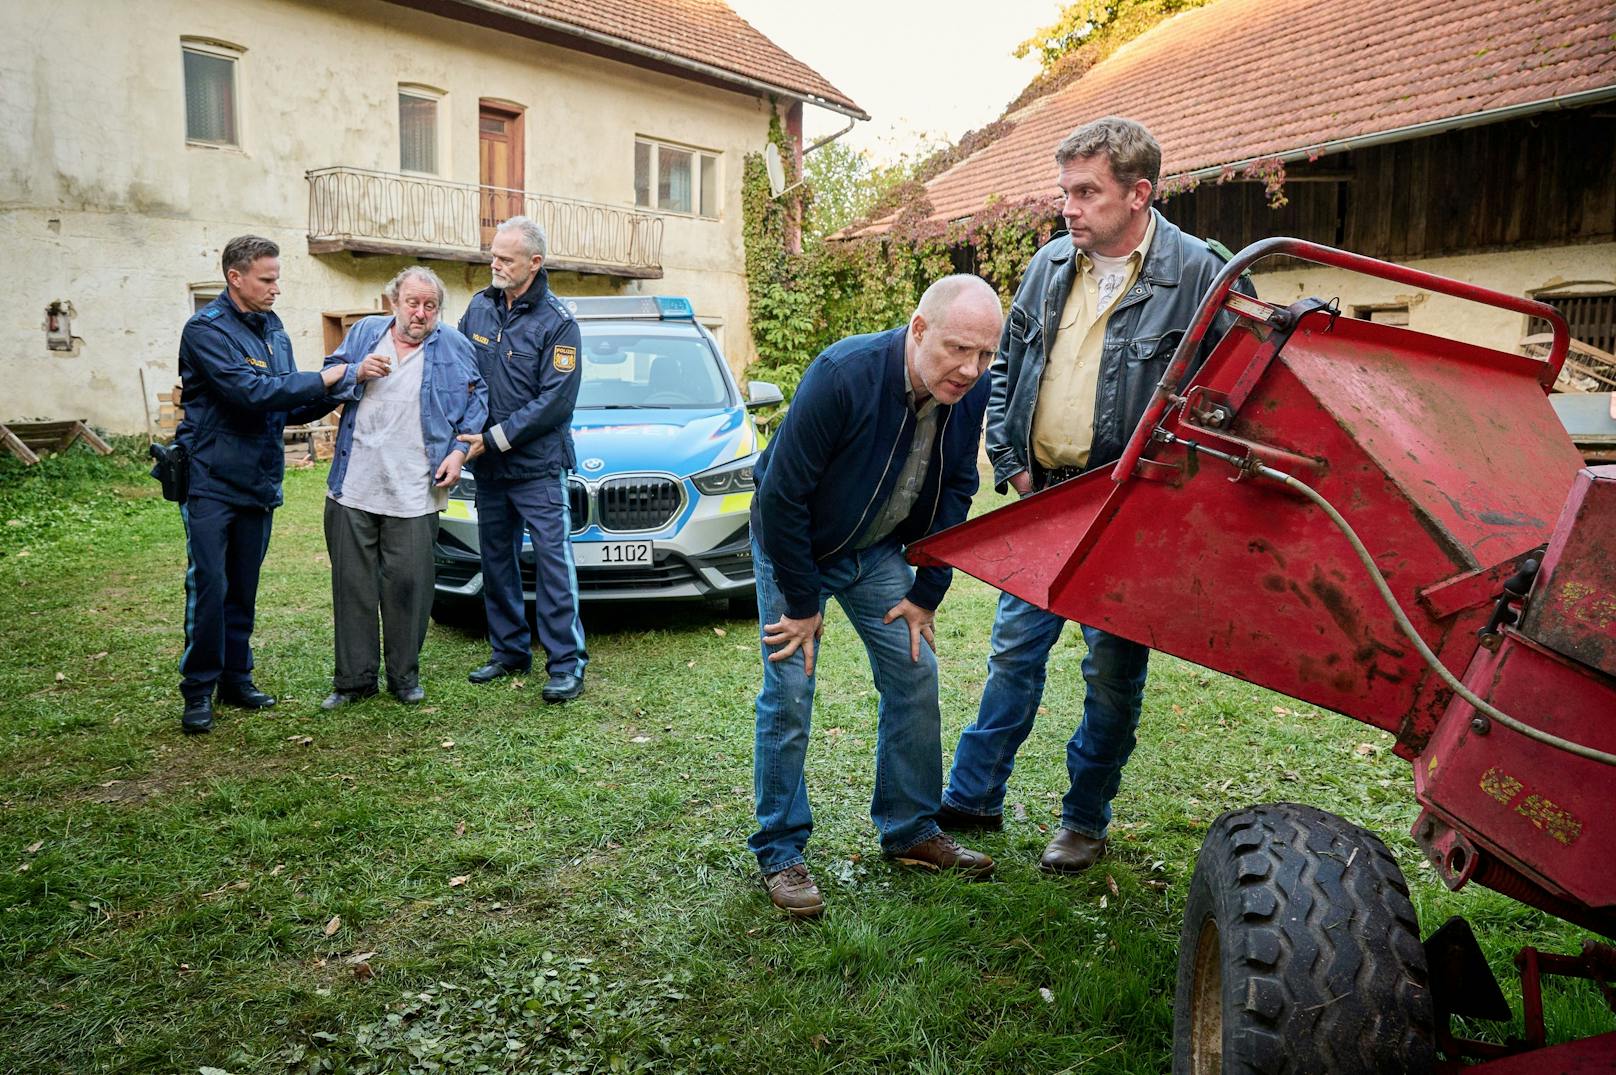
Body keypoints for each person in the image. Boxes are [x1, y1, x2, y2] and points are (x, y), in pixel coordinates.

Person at [939, 117, 1253, 873]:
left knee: (1111, 672)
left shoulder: (1202, 276)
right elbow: (1007, 365)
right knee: (1014, 651)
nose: (1068, 208)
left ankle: (1082, 818)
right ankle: (973, 794)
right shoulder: (1050, 264)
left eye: (1086, 192)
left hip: (1129, 513)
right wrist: (1013, 463)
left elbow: (1239, 397)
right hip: (1045, 497)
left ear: (1139, 193)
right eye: (1064, 191)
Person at [749, 274, 1004, 918]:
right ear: (919, 331)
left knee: (916, 670)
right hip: (798, 547)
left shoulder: (966, 391)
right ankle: (781, 851)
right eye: (956, 349)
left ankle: (911, 830)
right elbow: (780, 499)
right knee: (791, 687)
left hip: (877, 552)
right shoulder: (842, 374)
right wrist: (802, 603)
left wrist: (929, 590)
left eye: (985, 354)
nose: (970, 369)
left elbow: (955, 489)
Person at [172, 235, 385, 734]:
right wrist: (334, 376)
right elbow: (250, 393)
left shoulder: (274, 329)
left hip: (258, 478)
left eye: (277, 278)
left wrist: (348, 389)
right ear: (235, 278)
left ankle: (236, 678)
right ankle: (198, 689)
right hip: (210, 480)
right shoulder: (205, 330)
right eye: (267, 279)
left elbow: (284, 403)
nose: (276, 289)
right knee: (210, 586)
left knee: (243, 586)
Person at [319, 266, 487, 710]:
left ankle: (404, 676)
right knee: (352, 585)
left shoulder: (454, 345)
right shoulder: (365, 333)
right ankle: (353, 681)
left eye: (430, 305)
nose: (421, 313)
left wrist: (459, 452)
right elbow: (331, 374)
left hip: (416, 489)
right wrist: (356, 371)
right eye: (412, 303)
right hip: (354, 486)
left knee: (409, 586)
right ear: (393, 302)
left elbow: (478, 399)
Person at [455, 217, 586, 703]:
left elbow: (556, 401)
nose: (495, 264)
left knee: (553, 564)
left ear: (534, 263)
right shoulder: (479, 308)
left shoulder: (559, 322)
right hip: (488, 468)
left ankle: (566, 664)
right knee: (496, 560)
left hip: (536, 468)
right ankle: (508, 650)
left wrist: (495, 438)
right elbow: (462, 373)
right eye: (493, 254)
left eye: (506, 259)